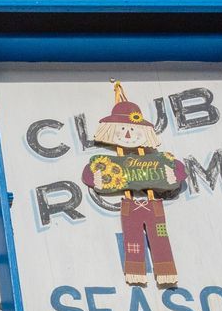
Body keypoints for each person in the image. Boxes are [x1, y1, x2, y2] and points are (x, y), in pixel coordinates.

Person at [79, 81, 187, 287]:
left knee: (160, 236)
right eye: (122, 129)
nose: (127, 134)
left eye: (132, 129)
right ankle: (135, 271)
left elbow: (177, 167)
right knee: (132, 239)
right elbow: (89, 173)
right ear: (111, 131)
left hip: (154, 206)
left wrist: (173, 175)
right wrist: (96, 179)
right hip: (130, 207)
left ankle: (166, 271)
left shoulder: (157, 159)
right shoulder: (106, 162)